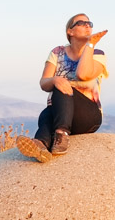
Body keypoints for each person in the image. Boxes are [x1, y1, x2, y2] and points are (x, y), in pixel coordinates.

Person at [16, 14, 108, 162]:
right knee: (46, 113)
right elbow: (44, 83)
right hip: (60, 112)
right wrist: (55, 79)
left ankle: (62, 134)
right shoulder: (57, 52)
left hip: (88, 116)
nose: (88, 25)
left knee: (61, 87)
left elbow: (83, 74)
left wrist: (90, 44)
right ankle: (41, 145)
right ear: (70, 31)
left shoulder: (97, 54)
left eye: (89, 23)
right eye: (81, 23)